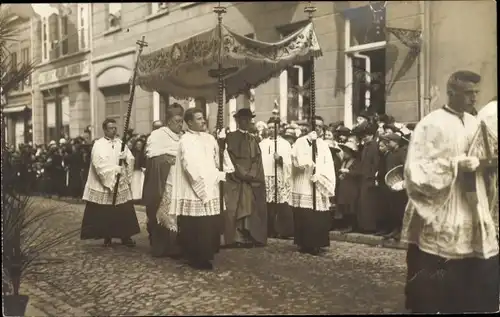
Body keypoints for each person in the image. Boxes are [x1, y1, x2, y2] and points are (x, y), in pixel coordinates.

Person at [402, 71, 499, 313]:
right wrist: (456, 164)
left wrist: (488, 164)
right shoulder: (430, 124)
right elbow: (415, 169)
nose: (473, 98)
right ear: (451, 92)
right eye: (468, 93)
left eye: (476, 93)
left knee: (474, 271)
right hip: (443, 208)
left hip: (474, 206)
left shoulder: (476, 123)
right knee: (437, 276)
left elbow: (485, 156)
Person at [168, 108, 234, 270]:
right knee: (196, 225)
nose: (203, 121)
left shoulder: (210, 138)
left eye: (203, 117)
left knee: (209, 223)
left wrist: (222, 146)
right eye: (198, 118)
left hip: (210, 185)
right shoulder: (185, 141)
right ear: (189, 122)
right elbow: (189, 165)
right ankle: (196, 257)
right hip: (194, 188)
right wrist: (202, 184)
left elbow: (218, 160)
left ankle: (207, 253)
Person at [80, 118, 140, 247]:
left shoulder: (120, 143)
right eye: (111, 128)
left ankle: (125, 236)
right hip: (104, 184)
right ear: (105, 130)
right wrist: (114, 170)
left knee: (123, 210)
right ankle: (106, 236)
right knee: (104, 211)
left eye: (115, 128)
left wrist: (127, 158)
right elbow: (98, 163)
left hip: (120, 183)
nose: (114, 130)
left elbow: (130, 158)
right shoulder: (98, 144)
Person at [291, 116, 336, 255]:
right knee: (305, 215)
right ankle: (304, 243)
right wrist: (309, 143)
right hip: (304, 182)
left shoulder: (323, 145)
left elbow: (328, 164)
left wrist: (321, 175)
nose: (317, 128)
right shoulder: (301, 141)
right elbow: (297, 160)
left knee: (318, 216)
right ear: (309, 127)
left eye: (320, 126)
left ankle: (317, 243)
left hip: (317, 183)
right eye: (315, 125)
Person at [223, 108, 267, 248]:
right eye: (243, 119)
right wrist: (241, 173)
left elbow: (257, 159)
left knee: (250, 205)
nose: (247, 122)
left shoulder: (253, 139)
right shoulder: (230, 138)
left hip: (250, 179)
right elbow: (229, 158)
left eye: (249, 120)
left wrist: (251, 174)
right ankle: (236, 237)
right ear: (237, 121)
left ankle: (249, 235)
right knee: (234, 207)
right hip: (235, 178)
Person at [144, 104, 184, 257]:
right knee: (161, 212)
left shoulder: (183, 136)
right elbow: (152, 157)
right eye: (177, 121)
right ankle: (160, 246)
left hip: (179, 181)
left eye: (181, 121)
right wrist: (167, 160)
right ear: (168, 121)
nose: (180, 125)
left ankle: (176, 245)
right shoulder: (158, 135)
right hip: (163, 180)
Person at [259, 117, 294, 239]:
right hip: (266, 176)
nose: (271, 130)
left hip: (279, 175)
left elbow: (290, 163)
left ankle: (280, 229)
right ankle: (268, 229)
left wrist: (280, 160)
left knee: (280, 204)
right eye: (269, 128)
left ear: (279, 128)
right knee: (268, 204)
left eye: (273, 127)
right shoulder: (262, 144)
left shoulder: (285, 144)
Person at [356, 121, 382, 234]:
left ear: (372, 135)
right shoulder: (366, 146)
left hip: (370, 179)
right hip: (364, 177)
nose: (365, 138)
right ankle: (364, 225)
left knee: (369, 204)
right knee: (363, 203)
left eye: (367, 135)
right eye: (364, 136)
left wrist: (373, 176)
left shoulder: (374, 147)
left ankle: (370, 227)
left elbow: (376, 163)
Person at [336, 139, 361, 233]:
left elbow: (358, 173)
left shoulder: (356, 162)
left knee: (351, 206)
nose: (344, 153)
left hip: (351, 188)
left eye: (346, 151)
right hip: (344, 187)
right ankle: (346, 224)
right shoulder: (344, 162)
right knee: (344, 206)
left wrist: (348, 172)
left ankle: (351, 226)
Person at [130, 138, 146, 203]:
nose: (139, 146)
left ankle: (138, 198)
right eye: (138, 144)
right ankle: (134, 198)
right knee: (134, 185)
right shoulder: (132, 152)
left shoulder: (143, 153)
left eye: (140, 144)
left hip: (140, 172)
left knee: (140, 186)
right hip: (133, 172)